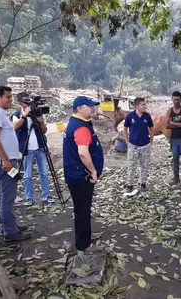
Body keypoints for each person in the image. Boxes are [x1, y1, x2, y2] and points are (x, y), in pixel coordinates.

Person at [63, 96, 104, 252]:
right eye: (89, 106)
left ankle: (85, 234)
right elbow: (83, 153)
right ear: (79, 108)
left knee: (83, 208)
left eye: (93, 106)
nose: (93, 108)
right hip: (81, 176)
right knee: (82, 209)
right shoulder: (80, 127)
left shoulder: (77, 122)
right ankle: (84, 245)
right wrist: (93, 171)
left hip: (76, 173)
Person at [0, 86, 31, 242]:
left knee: (5, 196)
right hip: (5, 162)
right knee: (8, 197)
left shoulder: (3, 114)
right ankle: (10, 232)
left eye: (11, 97)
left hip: (7, 160)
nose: (11, 100)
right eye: (7, 97)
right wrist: (5, 159)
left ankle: (9, 225)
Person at [12, 92, 55, 206]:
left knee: (44, 173)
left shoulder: (38, 113)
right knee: (27, 174)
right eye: (25, 102)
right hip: (27, 149)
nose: (28, 104)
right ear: (20, 103)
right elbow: (15, 127)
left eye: (29, 102)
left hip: (40, 147)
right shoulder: (17, 114)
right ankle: (29, 197)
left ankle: (46, 195)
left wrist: (40, 122)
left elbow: (44, 130)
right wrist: (25, 115)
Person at [123, 97, 153, 191]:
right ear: (137, 106)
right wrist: (127, 141)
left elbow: (151, 128)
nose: (145, 106)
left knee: (144, 165)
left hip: (145, 145)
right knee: (132, 166)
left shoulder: (147, 116)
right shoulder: (130, 116)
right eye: (143, 105)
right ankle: (130, 184)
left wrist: (151, 140)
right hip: (133, 145)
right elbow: (124, 129)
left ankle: (142, 183)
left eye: (145, 104)